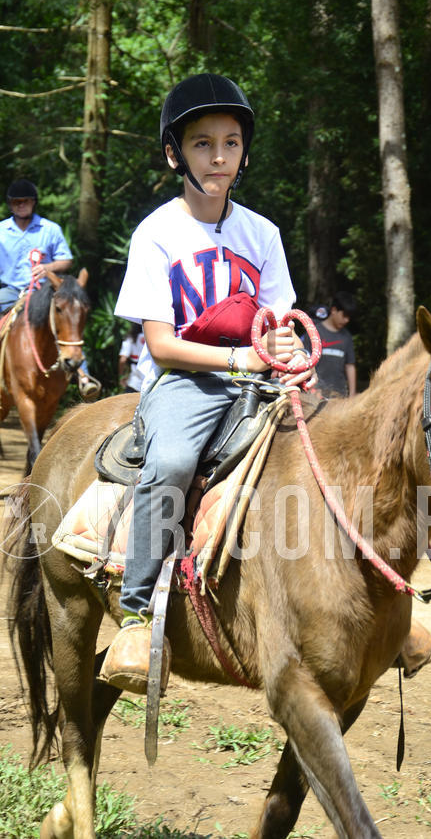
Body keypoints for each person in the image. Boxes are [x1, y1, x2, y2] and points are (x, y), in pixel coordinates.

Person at [100, 73, 316, 693]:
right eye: (202, 143)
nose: (219, 156)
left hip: (261, 380)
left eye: (230, 142)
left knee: (332, 445)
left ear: (244, 152)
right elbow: (162, 345)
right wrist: (242, 362)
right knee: (169, 462)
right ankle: (137, 616)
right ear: (175, 154)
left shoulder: (263, 234)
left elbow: (280, 323)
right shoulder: (157, 233)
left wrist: (285, 348)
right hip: (184, 381)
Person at [0, 179, 99, 400]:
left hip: (44, 291)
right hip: (11, 289)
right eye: (16, 202)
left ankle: (83, 375)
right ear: (10, 204)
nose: (20, 206)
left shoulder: (50, 229)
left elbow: (66, 260)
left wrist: (48, 267)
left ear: (33, 203)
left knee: (68, 315)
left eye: (25, 202)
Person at [304, 290, 357, 398]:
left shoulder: (346, 337)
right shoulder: (314, 332)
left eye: (349, 317)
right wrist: (310, 388)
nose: (346, 320)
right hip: (316, 394)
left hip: (340, 394)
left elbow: (350, 365)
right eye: (344, 315)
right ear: (334, 310)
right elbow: (304, 361)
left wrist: (352, 393)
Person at [118, 322, 146, 393]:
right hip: (151, 380)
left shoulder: (131, 338)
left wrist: (121, 376)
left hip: (135, 381)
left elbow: (122, 360)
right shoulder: (152, 337)